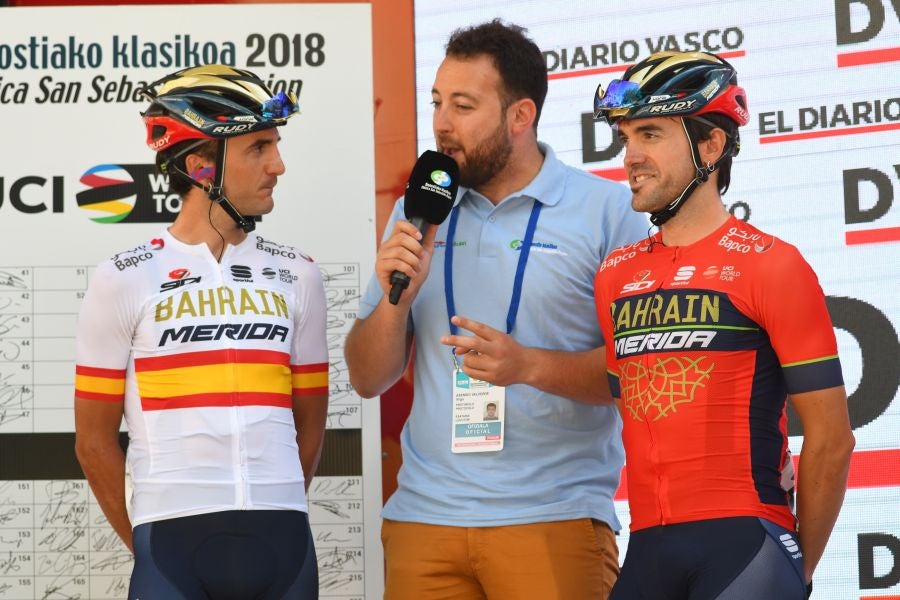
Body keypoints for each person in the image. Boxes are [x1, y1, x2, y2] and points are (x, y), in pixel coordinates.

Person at [345, 19, 647, 600]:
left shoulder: (609, 211)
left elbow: (636, 373)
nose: (441, 123)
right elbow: (366, 377)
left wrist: (527, 365)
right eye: (437, 102)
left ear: (520, 115)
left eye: (463, 106)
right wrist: (395, 301)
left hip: (553, 515)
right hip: (424, 518)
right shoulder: (417, 211)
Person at [592, 51, 855, 599]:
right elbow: (637, 413)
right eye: (626, 138)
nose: (631, 156)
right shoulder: (614, 275)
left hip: (746, 547)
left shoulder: (772, 265)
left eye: (650, 134)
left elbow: (831, 440)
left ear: (711, 146)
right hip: (647, 549)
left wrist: (794, 570)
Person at [74, 64, 327, 600]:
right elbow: (93, 443)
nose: (278, 165)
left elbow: (310, 421)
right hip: (172, 548)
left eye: (275, 145)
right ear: (201, 166)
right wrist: (146, 544)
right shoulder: (124, 276)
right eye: (258, 148)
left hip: (283, 539)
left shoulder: (298, 273)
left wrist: (277, 498)